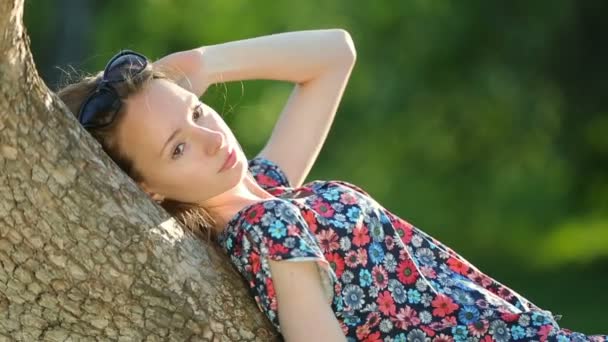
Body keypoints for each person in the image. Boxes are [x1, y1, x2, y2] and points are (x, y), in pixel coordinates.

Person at [57, 30, 605, 342]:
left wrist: (202, 63)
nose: (209, 138)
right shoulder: (265, 228)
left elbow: (333, 56)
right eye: (176, 147)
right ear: (148, 190)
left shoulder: (266, 189)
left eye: (198, 113)